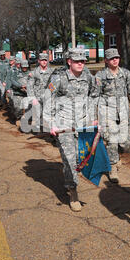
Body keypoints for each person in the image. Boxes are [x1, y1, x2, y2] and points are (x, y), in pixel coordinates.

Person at [43, 48, 100, 212]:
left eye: (83, 61)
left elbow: (95, 95)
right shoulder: (59, 78)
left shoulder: (88, 77)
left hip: (83, 126)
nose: (80, 64)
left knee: (80, 158)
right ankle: (73, 191)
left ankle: (72, 180)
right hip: (64, 126)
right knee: (69, 159)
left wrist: (93, 115)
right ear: (69, 62)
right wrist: (51, 123)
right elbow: (48, 99)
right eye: (77, 61)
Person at [95, 48, 130, 184]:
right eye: (111, 58)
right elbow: (94, 95)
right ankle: (112, 167)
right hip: (107, 113)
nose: (115, 60)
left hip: (123, 113)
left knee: (126, 141)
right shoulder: (100, 76)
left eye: (116, 57)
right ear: (106, 61)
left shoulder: (126, 74)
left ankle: (116, 156)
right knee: (112, 141)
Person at [25, 53, 54, 132]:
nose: (44, 62)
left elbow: (53, 85)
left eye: (45, 60)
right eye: (42, 60)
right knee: (37, 114)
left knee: (49, 115)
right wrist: (32, 98)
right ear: (39, 61)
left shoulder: (51, 72)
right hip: (37, 97)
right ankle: (37, 130)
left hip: (48, 97)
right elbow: (30, 86)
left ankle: (48, 130)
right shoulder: (34, 73)